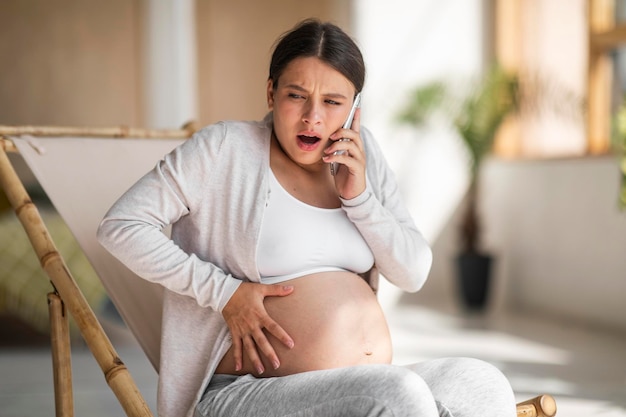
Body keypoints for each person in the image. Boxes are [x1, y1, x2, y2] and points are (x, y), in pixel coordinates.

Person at [97, 18, 516, 417]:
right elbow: (121, 227)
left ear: (355, 109)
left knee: (482, 382)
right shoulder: (225, 148)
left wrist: (361, 198)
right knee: (398, 395)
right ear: (271, 93)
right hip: (244, 392)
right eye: (297, 96)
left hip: (364, 384)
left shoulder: (361, 152)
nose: (313, 117)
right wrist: (224, 292)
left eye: (333, 102)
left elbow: (412, 272)